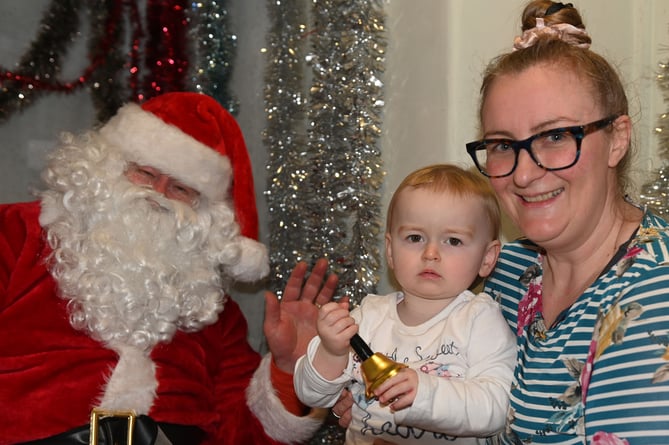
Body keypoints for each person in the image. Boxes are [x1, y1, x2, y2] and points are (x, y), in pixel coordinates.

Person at [0, 91, 339, 445]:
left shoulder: (211, 309)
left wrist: (287, 371)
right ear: (108, 166)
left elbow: (242, 436)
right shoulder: (15, 233)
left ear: (206, 212)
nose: (158, 194)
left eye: (180, 187)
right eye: (145, 173)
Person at [462, 1, 669, 443]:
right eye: (502, 145)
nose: (522, 173)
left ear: (617, 140)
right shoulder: (500, 272)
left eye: (555, 136)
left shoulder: (654, 295)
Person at [294, 164, 516, 444]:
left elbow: (497, 407)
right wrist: (330, 351)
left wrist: (425, 392)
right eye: (415, 238)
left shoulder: (479, 319)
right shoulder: (370, 316)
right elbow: (310, 395)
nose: (430, 253)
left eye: (453, 241)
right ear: (390, 251)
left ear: (487, 258)